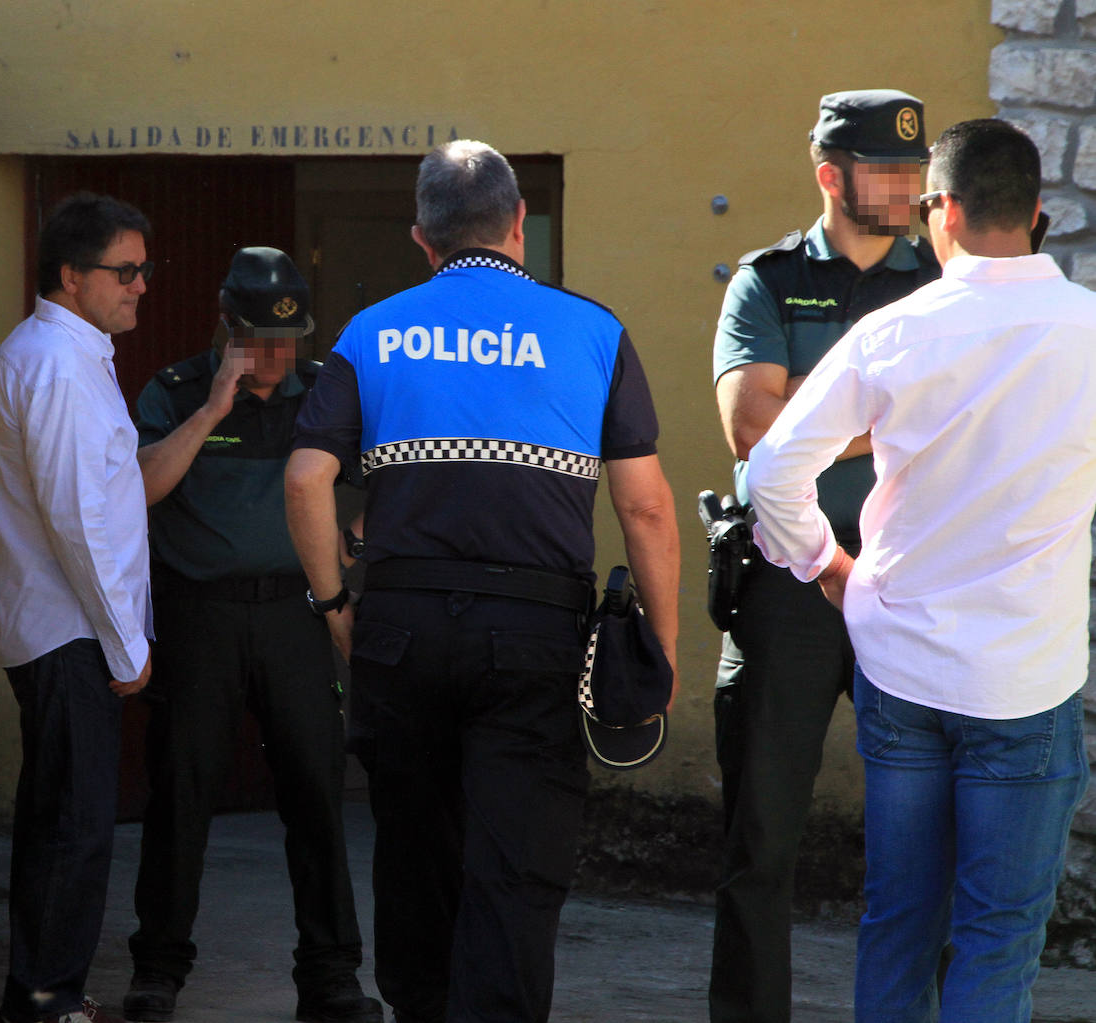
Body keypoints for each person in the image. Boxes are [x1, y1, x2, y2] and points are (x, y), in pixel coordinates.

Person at [285, 139, 681, 1023]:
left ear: (422, 239)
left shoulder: (372, 331)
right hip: (535, 634)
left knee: (415, 856)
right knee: (516, 866)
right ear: (519, 227)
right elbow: (647, 510)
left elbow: (308, 478)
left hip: (400, 629)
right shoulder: (593, 331)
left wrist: (333, 605)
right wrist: (660, 646)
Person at [746, 117, 1094, 1023]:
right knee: (1001, 934)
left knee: (898, 918)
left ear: (941, 209)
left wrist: (824, 565)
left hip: (900, 667)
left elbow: (772, 468)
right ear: (1038, 211)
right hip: (1025, 674)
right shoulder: (1090, 330)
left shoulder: (892, 331)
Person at [708, 89, 940, 1023]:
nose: (907, 188)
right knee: (759, 842)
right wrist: (884, 405)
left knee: (924, 843)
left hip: (908, 586)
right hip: (788, 588)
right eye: (887, 170)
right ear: (830, 176)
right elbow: (751, 427)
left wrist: (818, 408)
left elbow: (793, 419)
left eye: (916, 173)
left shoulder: (942, 285)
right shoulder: (766, 279)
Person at [123, 247, 381, 1023]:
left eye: (288, 339)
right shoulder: (174, 393)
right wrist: (214, 409)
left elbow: (385, 475)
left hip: (295, 614)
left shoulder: (324, 397)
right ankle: (159, 971)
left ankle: (330, 976)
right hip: (199, 615)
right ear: (224, 328)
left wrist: (358, 534)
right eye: (259, 340)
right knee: (182, 792)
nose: (275, 355)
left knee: (314, 792)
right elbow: (137, 487)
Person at [0, 192, 155, 1023]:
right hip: (68, 631)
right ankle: (47, 1004)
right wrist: (129, 647)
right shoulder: (55, 363)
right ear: (69, 274)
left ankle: (42, 995)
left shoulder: (67, 354)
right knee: (75, 828)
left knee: (65, 819)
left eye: (141, 270)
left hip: (60, 626)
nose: (139, 287)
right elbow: (78, 517)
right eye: (123, 272)